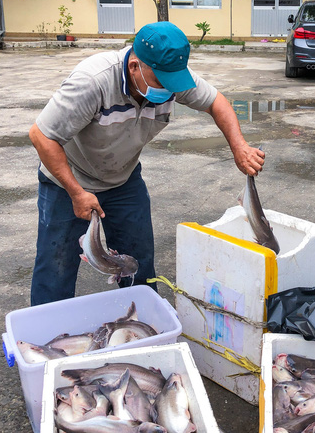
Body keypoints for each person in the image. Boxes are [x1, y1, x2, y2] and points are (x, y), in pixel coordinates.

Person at [29, 22, 264, 306]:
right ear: (134, 67)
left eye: (173, 82)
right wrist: (76, 193)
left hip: (123, 181)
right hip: (68, 182)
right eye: (162, 81)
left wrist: (239, 146)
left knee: (138, 264)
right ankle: (46, 337)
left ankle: (142, 325)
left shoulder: (173, 80)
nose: (169, 90)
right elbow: (42, 136)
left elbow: (217, 102)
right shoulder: (93, 81)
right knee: (56, 269)